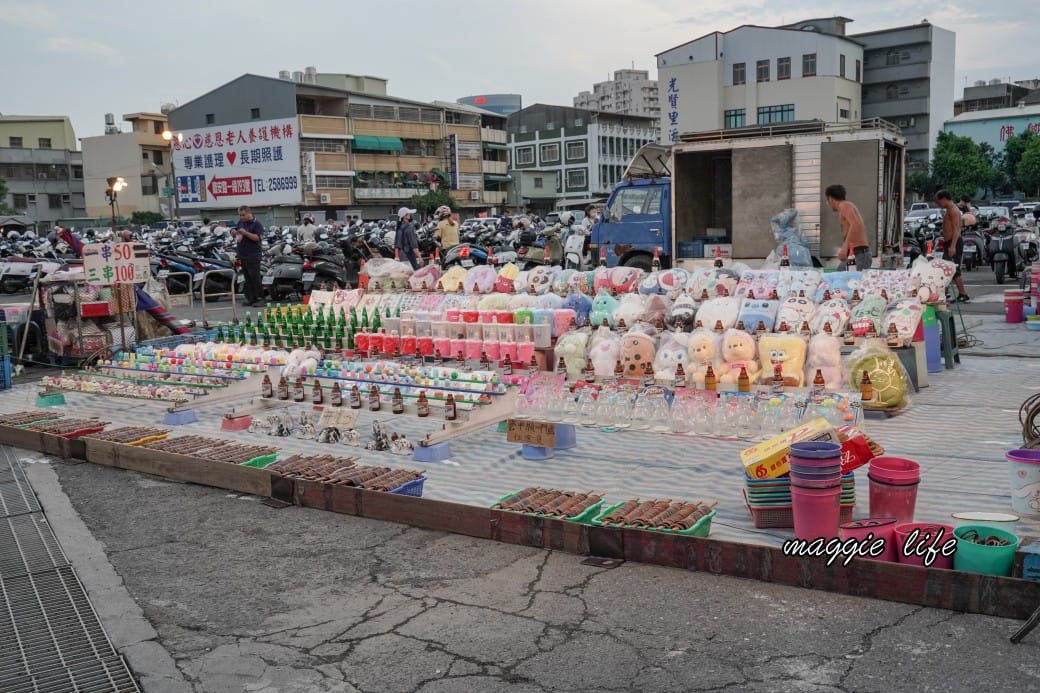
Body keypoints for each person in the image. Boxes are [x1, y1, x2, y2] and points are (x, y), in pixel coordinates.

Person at [825, 184, 872, 270]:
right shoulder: (847, 206)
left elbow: (856, 224)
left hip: (860, 254)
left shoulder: (844, 205)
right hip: (857, 254)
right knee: (841, 276)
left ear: (830, 198)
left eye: (827, 200)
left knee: (839, 276)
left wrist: (844, 248)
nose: (828, 204)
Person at [936, 190, 969, 302]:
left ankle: (963, 294)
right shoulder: (949, 210)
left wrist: (953, 246)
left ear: (944, 199)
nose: (938, 204)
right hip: (948, 242)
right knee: (945, 269)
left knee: (954, 269)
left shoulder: (954, 211)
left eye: (939, 201)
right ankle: (946, 293)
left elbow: (956, 230)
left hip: (954, 243)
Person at [234, 205, 265, 306]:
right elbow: (235, 230)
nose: (241, 217)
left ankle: (260, 298)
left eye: (243, 215)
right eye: (240, 215)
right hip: (243, 254)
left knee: (255, 278)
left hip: (253, 255)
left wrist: (246, 233)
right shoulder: (240, 222)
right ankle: (251, 298)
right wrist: (233, 232)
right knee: (247, 278)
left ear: (249, 213)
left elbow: (257, 238)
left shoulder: (257, 224)